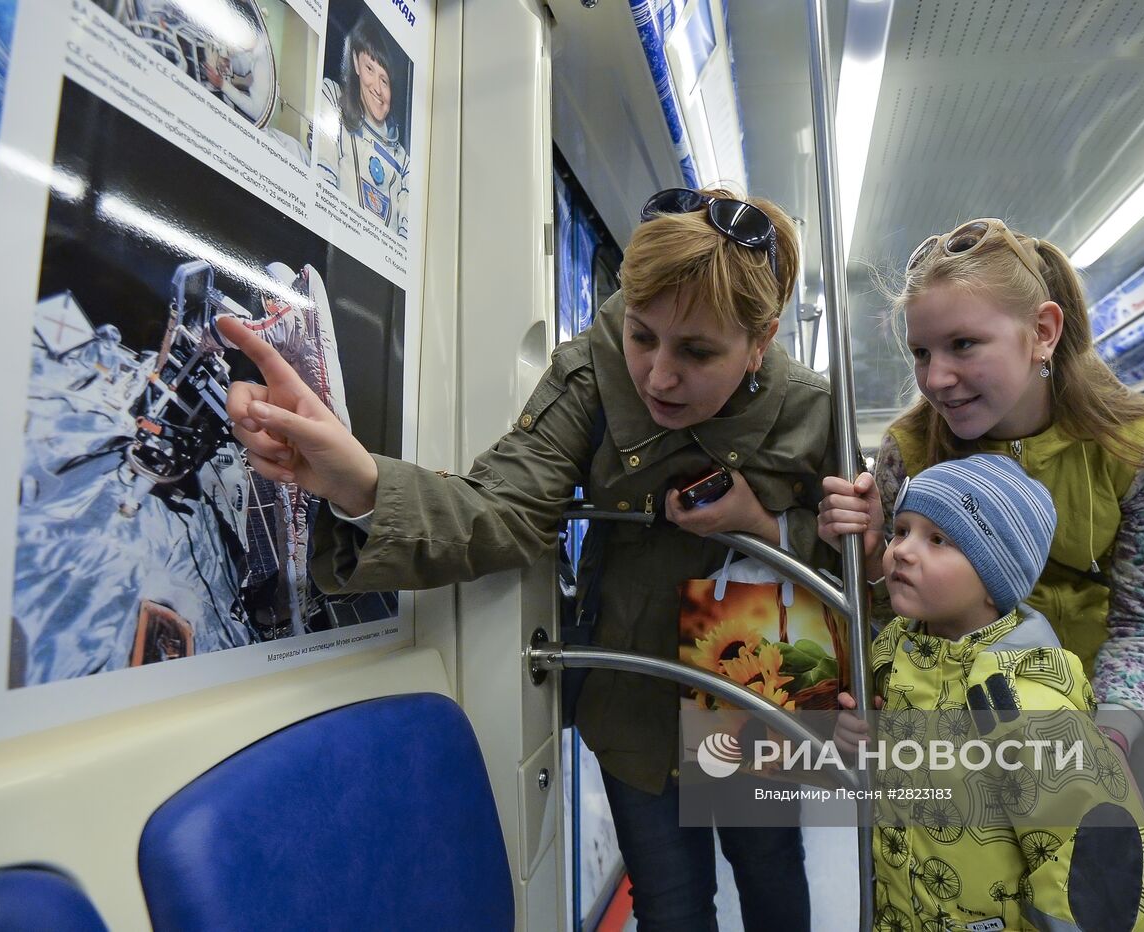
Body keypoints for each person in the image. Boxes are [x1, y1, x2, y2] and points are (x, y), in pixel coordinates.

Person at [217, 187, 835, 931]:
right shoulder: (592, 373)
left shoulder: (813, 411)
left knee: (771, 878)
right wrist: (361, 484)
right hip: (632, 687)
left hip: (756, 679)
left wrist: (765, 523)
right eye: (642, 335)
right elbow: (503, 509)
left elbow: (863, 564)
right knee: (672, 907)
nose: (659, 376)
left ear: (761, 341)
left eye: (697, 352)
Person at [818, 218, 1144, 827]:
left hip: (1116, 696)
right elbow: (895, 612)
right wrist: (866, 560)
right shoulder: (908, 452)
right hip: (961, 703)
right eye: (921, 352)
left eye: (963, 344)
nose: (936, 377)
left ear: (1041, 332)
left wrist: (1109, 735)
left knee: (1102, 890)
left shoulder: (1132, 450)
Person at [834, 454, 1144, 930]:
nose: (902, 550)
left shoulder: (1025, 704)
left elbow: (1089, 860)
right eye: (901, 530)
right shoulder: (895, 661)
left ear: (994, 579)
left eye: (939, 540)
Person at [315, 13, 409, 238]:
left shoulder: (403, 161)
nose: (377, 87)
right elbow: (322, 176)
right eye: (370, 69)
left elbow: (406, 235)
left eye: (384, 81)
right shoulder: (332, 97)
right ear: (356, 62)